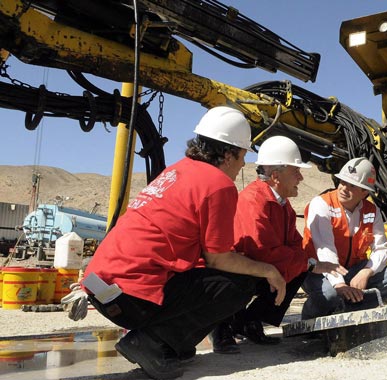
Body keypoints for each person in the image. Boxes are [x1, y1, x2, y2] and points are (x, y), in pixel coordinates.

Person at [80, 106, 286, 380]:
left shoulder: (177, 171)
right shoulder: (218, 185)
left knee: (207, 278)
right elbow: (219, 259)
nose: (243, 165)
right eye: (242, 156)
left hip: (104, 290)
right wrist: (270, 271)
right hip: (133, 297)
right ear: (227, 155)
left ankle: (170, 345)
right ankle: (151, 343)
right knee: (239, 285)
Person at [209, 135, 348, 353]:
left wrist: (303, 262)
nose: (300, 178)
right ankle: (222, 329)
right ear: (275, 176)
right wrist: (304, 264)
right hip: (239, 268)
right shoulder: (254, 201)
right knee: (253, 277)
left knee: (298, 267)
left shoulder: (283, 205)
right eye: (296, 172)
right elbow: (259, 249)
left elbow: (294, 243)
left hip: (263, 265)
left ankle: (249, 321)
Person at [301, 157, 387, 320]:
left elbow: (381, 249)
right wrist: (340, 284)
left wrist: (366, 272)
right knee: (330, 294)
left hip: (353, 269)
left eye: (351, 186)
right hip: (318, 270)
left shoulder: (372, 211)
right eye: (342, 182)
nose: (343, 188)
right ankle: (309, 320)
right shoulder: (321, 204)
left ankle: (350, 313)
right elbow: (325, 250)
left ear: (365, 192)